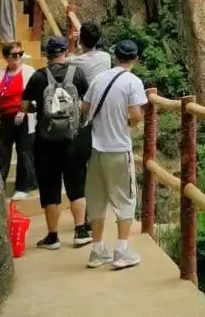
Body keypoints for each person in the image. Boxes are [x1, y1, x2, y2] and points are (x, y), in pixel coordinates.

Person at [21, 36, 93, 250]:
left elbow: (24, 106)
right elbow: (87, 102)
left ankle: (53, 237)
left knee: (50, 188)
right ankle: (80, 230)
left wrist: (40, 110)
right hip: (72, 139)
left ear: (46, 54)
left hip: (46, 141)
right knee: (76, 185)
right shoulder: (77, 74)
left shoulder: (38, 77)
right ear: (65, 52)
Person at [81, 39, 147, 270]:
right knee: (126, 199)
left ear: (115, 56)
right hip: (119, 148)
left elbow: (84, 108)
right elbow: (135, 114)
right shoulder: (133, 82)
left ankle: (97, 251)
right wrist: (131, 123)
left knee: (97, 199)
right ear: (135, 59)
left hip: (96, 149)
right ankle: (121, 251)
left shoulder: (99, 78)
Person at [0, 41, 37, 201]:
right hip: (6, 116)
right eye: (14, 55)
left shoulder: (28, 71)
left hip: (23, 116)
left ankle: (23, 186)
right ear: (6, 57)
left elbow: (33, 94)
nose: (17, 58)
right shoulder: (1, 73)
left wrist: (23, 110)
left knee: (24, 151)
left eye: (20, 54)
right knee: (3, 151)